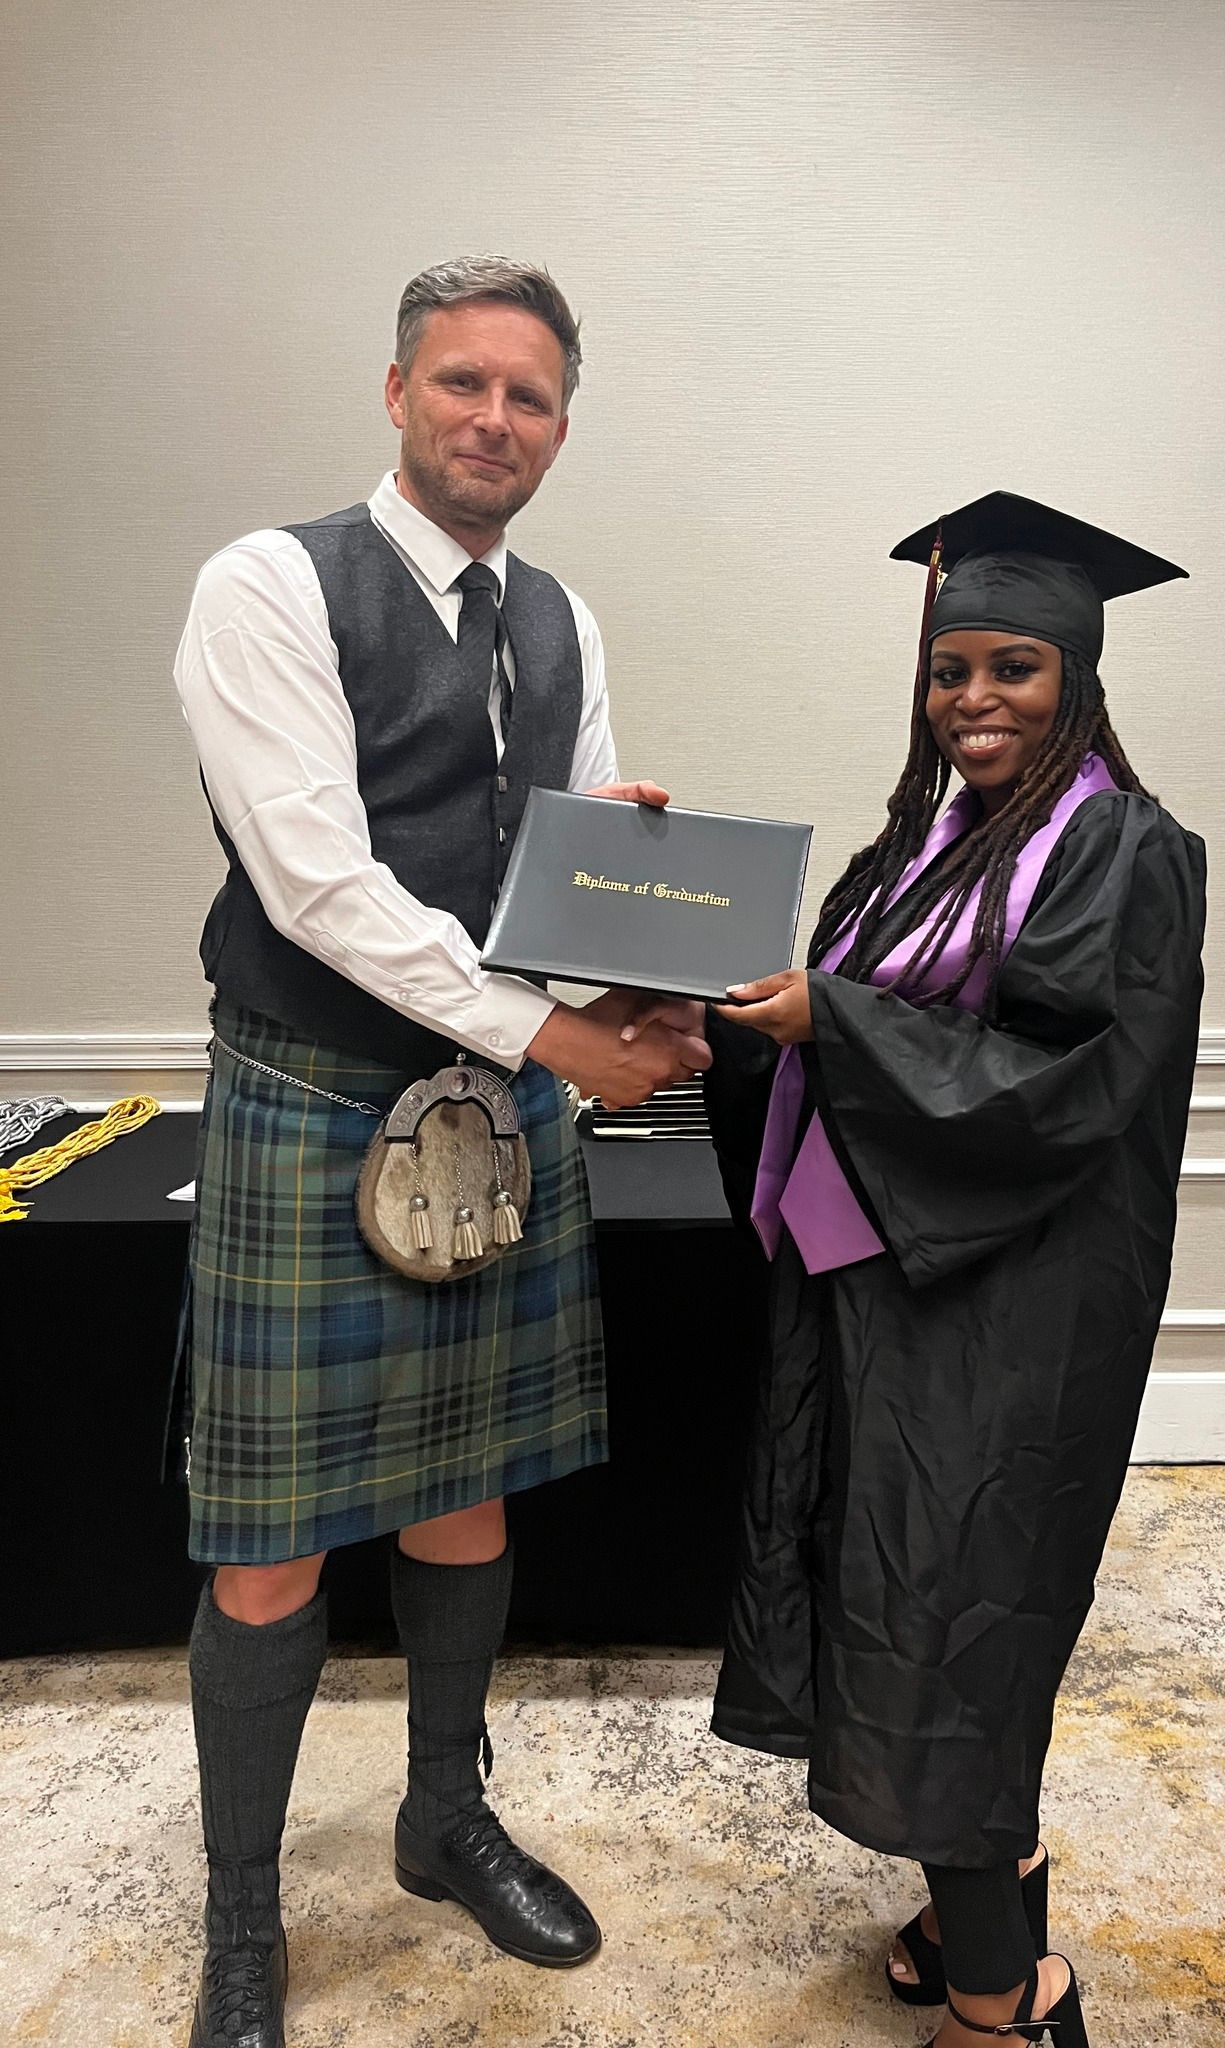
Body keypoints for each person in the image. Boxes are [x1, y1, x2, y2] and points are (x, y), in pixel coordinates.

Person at [170, 256, 708, 2048]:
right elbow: (319, 886)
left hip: (496, 1112)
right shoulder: (268, 585)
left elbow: (566, 871)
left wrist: (638, 932)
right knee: (268, 1549)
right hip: (315, 1101)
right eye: (465, 384)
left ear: (563, 424)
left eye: (532, 397)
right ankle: (242, 1919)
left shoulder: (563, 620)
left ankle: (438, 1817)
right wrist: (561, 1036)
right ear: (397, 391)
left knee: (467, 1490)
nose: (497, 420)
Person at [704, 492, 1206, 2048]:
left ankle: (1003, 2012)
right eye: (949, 672)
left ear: (1078, 680)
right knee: (899, 1598)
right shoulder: (918, 847)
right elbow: (860, 1018)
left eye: (1013, 669)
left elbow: (1063, 1086)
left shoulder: (1126, 847)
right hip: (894, 1293)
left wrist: (831, 1025)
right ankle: (973, 1915)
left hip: (1013, 1314)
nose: (976, 701)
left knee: (953, 1626)